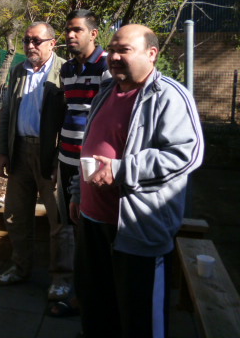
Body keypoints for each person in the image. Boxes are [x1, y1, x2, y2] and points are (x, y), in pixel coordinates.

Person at [70, 24, 204, 338]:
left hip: (136, 229)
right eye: (112, 49)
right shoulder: (106, 92)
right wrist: (77, 191)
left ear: (151, 54)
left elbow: (188, 154)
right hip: (92, 223)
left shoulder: (168, 96)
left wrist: (121, 169)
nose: (113, 56)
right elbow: (90, 145)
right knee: (97, 308)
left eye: (124, 50)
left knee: (139, 319)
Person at [0, 22, 72, 299]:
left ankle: (62, 279)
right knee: (15, 215)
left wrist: (61, 157)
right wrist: (3, 151)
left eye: (36, 41)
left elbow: (72, 119)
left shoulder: (65, 71)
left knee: (59, 221)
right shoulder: (18, 71)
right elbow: (6, 115)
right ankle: (19, 267)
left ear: (52, 43)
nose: (30, 46)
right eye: (27, 40)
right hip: (20, 151)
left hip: (51, 155)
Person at [49, 9, 110, 315]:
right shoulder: (68, 69)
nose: (70, 35)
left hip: (93, 165)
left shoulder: (108, 66)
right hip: (66, 158)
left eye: (76, 30)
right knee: (65, 223)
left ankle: (88, 296)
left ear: (93, 34)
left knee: (90, 227)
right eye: (68, 30)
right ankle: (65, 283)